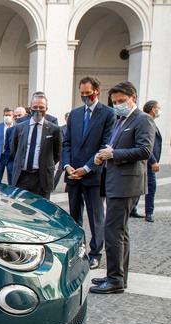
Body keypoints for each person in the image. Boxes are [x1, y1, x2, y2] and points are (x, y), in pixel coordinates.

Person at [90, 81, 153, 294]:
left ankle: (115, 279)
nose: (118, 105)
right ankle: (118, 275)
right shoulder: (121, 119)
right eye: (115, 102)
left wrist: (114, 154)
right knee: (121, 232)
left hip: (126, 183)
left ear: (133, 98)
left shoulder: (142, 119)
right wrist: (103, 155)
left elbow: (145, 150)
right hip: (116, 180)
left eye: (121, 101)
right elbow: (115, 146)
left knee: (113, 231)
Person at [62, 76, 116, 269]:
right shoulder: (75, 114)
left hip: (93, 175)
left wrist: (86, 168)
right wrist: (67, 165)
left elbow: (105, 145)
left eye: (88, 93)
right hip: (73, 175)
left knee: (95, 218)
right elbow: (67, 143)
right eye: (82, 94)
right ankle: (78, 250)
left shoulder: (108, 114)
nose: (85, 97)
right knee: (74, 216)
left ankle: (95, 253)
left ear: (97, 91)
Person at [10, 94, 61, 199]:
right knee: (19, 206)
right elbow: (14, 150)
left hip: (42, 178)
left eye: (41, 107)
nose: (38, 110)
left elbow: (57, 154)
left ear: (46, 109)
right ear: (30, 109)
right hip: (22, 177)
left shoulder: (54, 129)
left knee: (41, 208)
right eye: (35, 107)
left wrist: (46, 164)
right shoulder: (19, 127)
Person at [142, 100, 162, 222]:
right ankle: (149, 213)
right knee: (151, 186)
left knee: (142, 185)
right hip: (148, 161)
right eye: (158, 108)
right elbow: (146, 145)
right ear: (153, 109)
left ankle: (133, 209)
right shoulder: (147, 122)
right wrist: (153, 161)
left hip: (148, 160)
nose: (159, 110)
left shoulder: (150, 121)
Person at [0, 106, 28, 184]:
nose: (17, 118)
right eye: (15, 116)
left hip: (27, 168)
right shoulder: (9, 131)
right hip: (12, 167)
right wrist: (8, 164)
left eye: (19, 115)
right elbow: (7, 148)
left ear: (26, 115)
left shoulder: (31, 129)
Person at [0, 107, 14, 183]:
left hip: (11, 156)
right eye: (6, 115)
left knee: (11, 177)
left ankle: (11, 190)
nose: (7, 117)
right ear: (3, 116)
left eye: (9, 115)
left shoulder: (16, 127)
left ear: (13, 116)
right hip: (0, 155)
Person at [53, 112, 70, 189]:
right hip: (63, 151)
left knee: (70, 170)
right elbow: (60, 140)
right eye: (68, 117)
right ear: (65, 118)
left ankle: (68, 188)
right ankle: (53, 186)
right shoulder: (61, 128)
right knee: (60, 170)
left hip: (73, 152)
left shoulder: (76, 128)